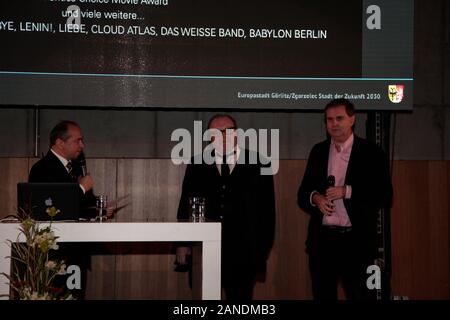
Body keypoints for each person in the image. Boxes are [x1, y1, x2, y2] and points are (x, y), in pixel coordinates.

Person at [297, 99, 393, 300]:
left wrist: (347, 191)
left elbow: (385, 194)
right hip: (322, 242)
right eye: (329, 119)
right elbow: (303, 193)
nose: (334, 124)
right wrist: (316, 198)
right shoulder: (319, 151)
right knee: (322, 295)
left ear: (352, 119)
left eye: (339, 118)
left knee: (358, 295)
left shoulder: (371, 152)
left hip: (356, 242)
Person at [176, 114, 276, 300]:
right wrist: (182, 243)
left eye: (227, 131)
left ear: (236, 133)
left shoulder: (260, 162)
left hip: (244, 253)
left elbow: (267, 212)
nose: (222, 136)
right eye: (215, 132)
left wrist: (261, 252)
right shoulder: (197, 163)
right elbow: (185, 203)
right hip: (203, 250)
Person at [28, 120, 113, 299]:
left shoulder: (75, 167)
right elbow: (51, 208)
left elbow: (80, 206)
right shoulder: (42, 169)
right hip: (56, 252)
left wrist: (100, 210)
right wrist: (81, 188)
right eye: (78, 140)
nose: (82, 145)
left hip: (76, 249)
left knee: (75, 295)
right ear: (60, 143)